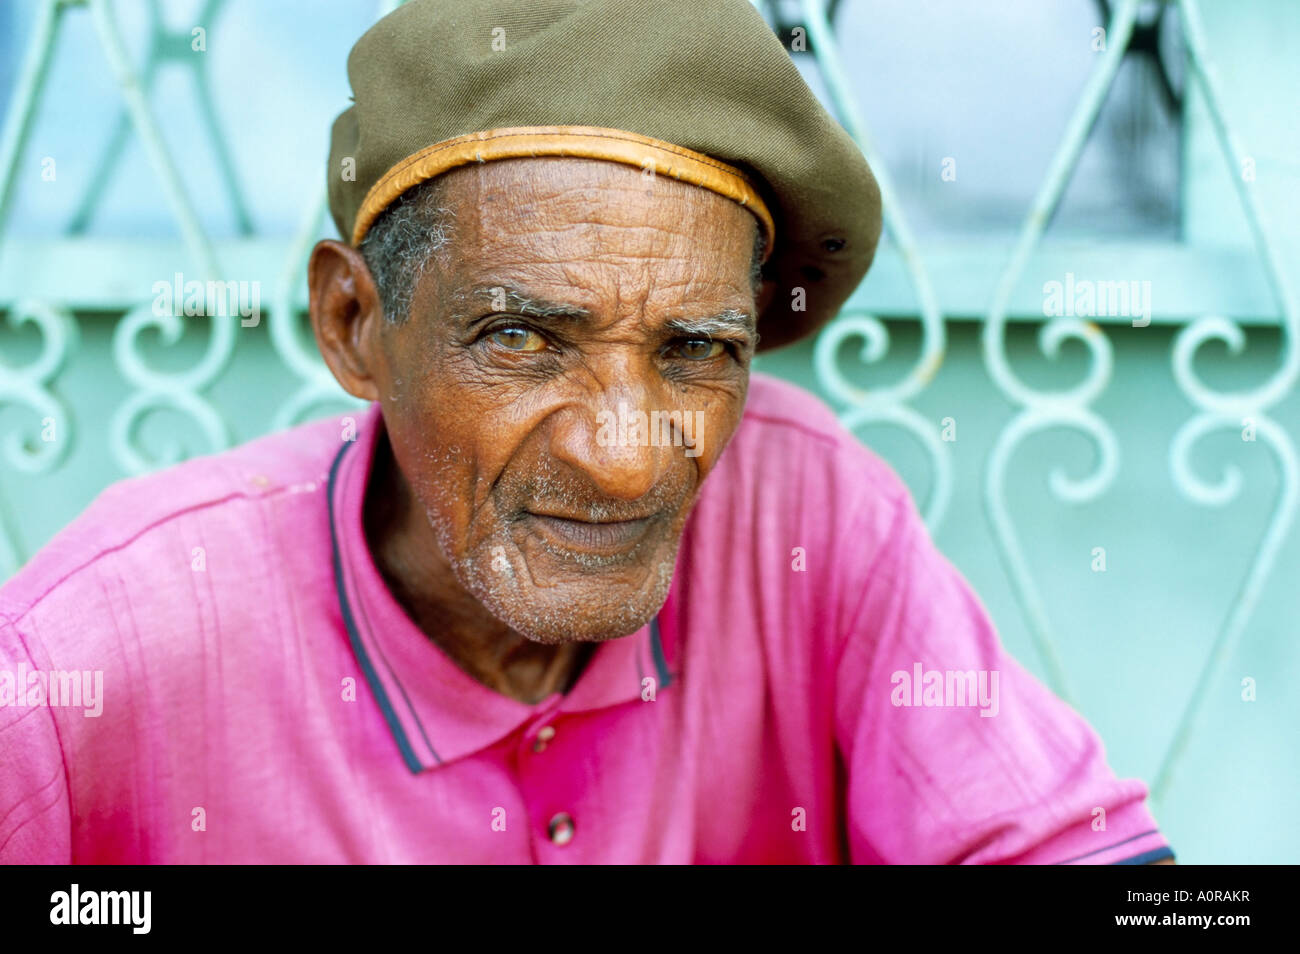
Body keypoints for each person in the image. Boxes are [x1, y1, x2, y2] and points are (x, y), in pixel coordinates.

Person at [0, 0, 1173, 864]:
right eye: (521, 340)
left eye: (694, 351)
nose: (624, 458)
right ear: (355, 323)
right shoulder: (106, 645)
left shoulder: (808, 514)